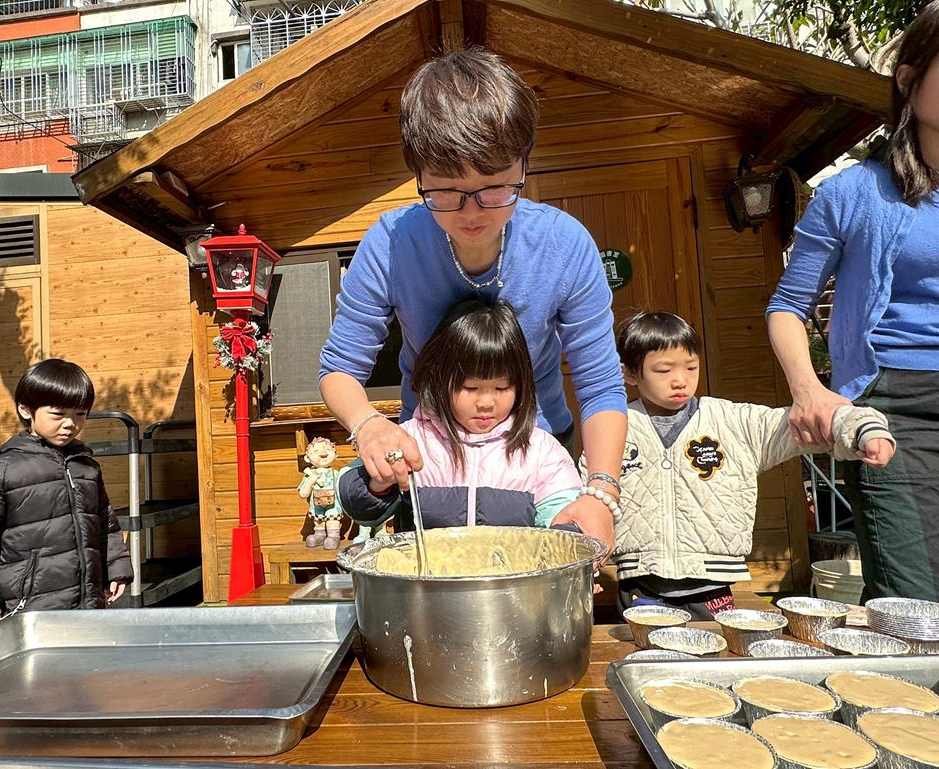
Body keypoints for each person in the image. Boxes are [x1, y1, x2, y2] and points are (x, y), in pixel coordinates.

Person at [318, 48, 626, 547]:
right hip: (431, 458)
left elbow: (600, 385)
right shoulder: (391, 243)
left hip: (536, 452)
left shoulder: (564, 244)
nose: (472, 213)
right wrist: (368, 425)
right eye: (445, 192)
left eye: (495, 188)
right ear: (417, 175)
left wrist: (601, 490)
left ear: (524, 165)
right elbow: (340, 368)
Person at [766, 3, 939, 601]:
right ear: (908, 79)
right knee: (915, 604)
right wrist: (810, 391)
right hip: (893, 408)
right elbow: (787, 306)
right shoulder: (854, 193)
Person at [580, 313, 895, 619]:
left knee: (714, 652)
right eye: (663, 370)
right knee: (645, 655)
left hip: (712, 588)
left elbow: (810, 419)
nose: (680, 380)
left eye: (691, 367)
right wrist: (584, 566)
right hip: (638, 586)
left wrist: (862, 429)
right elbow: (586, 497)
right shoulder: (613, 428)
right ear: (630, 374)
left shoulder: (733, 423)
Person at [338, 299, 588, 534]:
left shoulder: (540, 450)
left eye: (501, 388)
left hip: (512, 569)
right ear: (441, 381)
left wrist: (570, 531)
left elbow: (562, 518)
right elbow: (359, 505)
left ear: (520, 386)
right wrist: (379, 484)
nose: (486, 403)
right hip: (430, 568)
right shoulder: (413, 441)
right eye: (470, 388)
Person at [0, 359, 132, 627]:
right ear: (26, 410)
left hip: (88, 606)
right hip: (28, 611)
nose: (70, 424)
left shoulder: (86, 467)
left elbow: (104, 524)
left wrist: (116, 568)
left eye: (80, 414)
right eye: (58, 414)